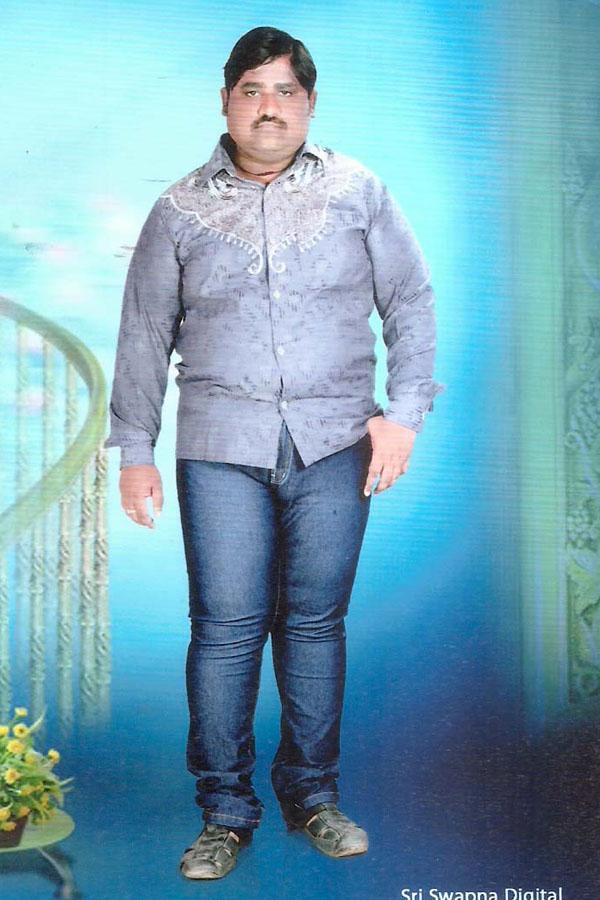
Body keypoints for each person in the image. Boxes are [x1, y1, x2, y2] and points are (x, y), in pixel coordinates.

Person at [103, 25, 445, 881]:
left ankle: (314, 796)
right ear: (225, 102)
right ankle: (224, 811)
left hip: (337, 441)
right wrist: (136, 449)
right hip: (220, 446)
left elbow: (410, 299)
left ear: (310, 104)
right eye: (252, 91)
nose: (268, 108)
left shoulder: (358, 192)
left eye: (285, 91)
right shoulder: (178, 209)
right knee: (224, 631)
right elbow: (143, 333)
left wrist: (404, 415)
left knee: (315, 625)